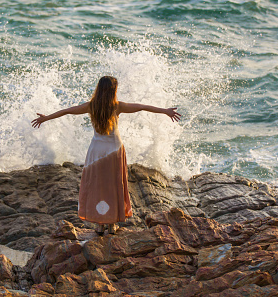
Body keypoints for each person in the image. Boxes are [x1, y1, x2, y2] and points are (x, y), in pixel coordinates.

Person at [31, 76, 180, 235]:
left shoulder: (91, 106)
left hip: (96, 150)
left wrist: (46, 118)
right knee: (113, 186)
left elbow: (67, 110)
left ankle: (100, 224)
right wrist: (165, 111)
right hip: (114, 149)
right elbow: (142, 107)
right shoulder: (117, 106)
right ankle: (112, 224)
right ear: (113, 91)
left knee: (97, 186)